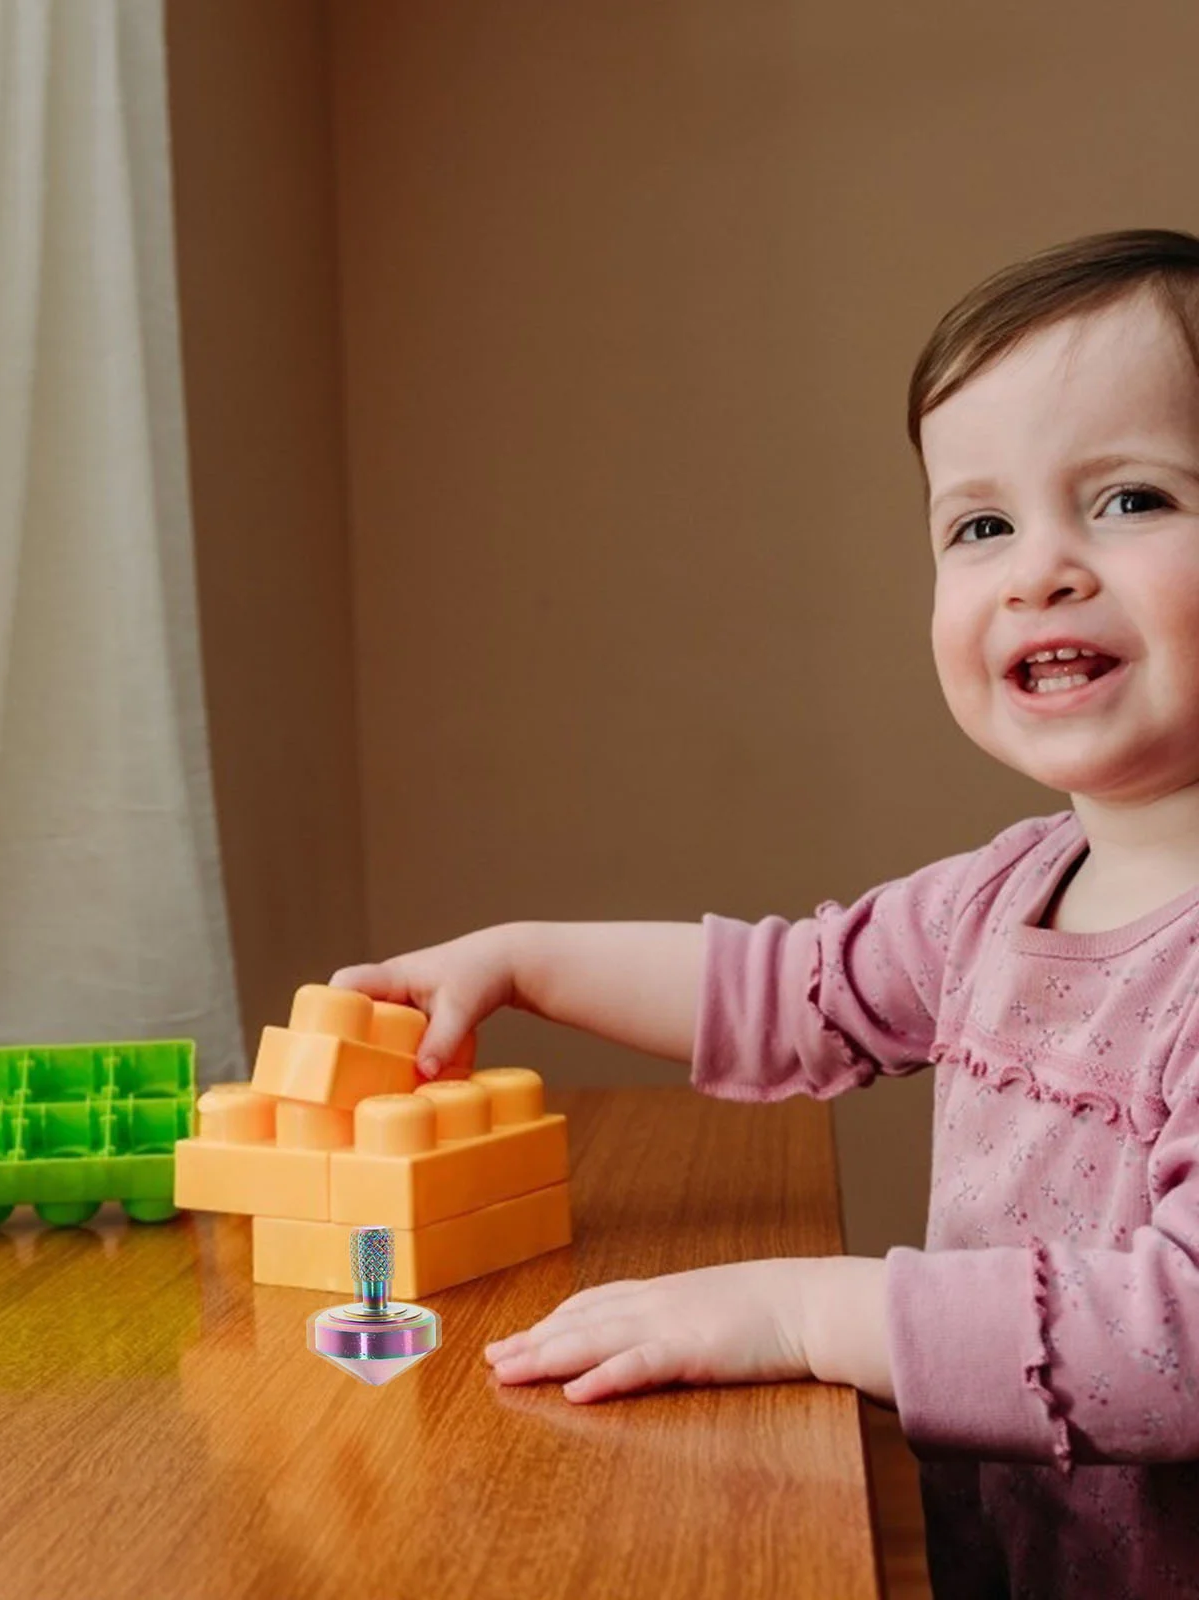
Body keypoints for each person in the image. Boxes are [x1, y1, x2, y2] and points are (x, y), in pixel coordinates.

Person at [330, 229, 1199, 1597]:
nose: (1040, 570)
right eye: (981, 525)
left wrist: (801, 1310)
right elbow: (791, 987)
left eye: (1133, 499)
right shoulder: (1001, 895)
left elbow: (1180, 1336)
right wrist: (519, 960)